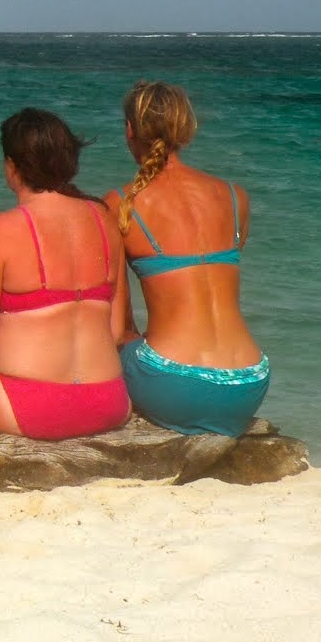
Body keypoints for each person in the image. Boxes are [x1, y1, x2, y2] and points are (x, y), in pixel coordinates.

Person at [108, 81, 270, 436]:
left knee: (112, 352)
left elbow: (118, 328)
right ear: (185, 127)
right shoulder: (234, 196)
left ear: (130, 130)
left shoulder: (121, 205)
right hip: (249, 382)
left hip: (179, 386)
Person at [0, 109, 130, 440]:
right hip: (108, 402)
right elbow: (115, 332)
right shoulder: (104, 220)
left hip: (29, 407)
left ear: (12, 167)